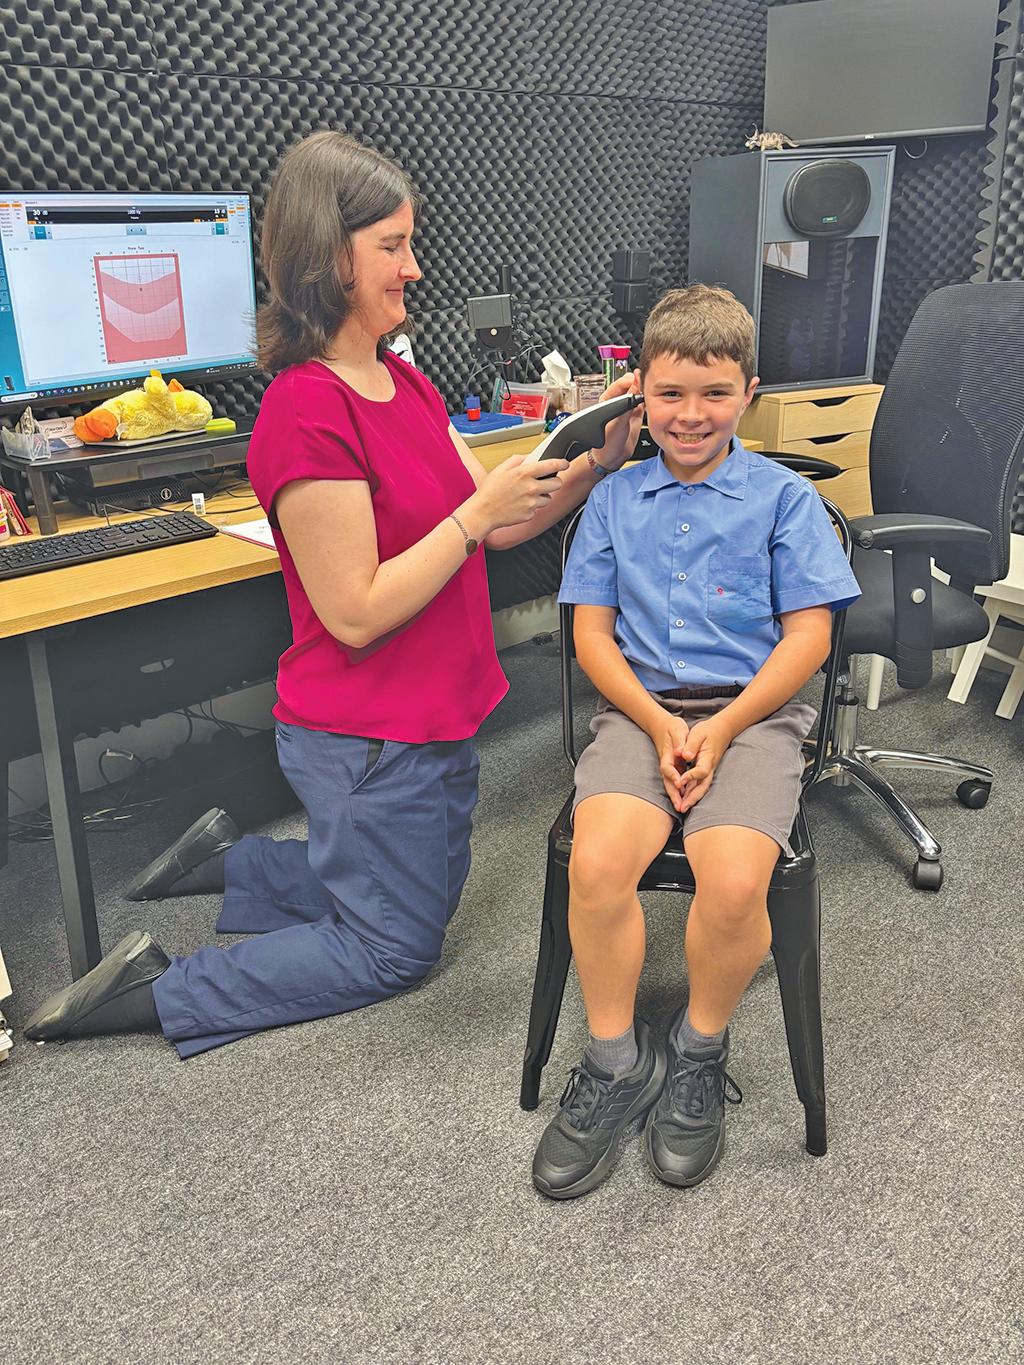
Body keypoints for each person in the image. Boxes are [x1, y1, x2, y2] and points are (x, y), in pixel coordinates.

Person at [24, 130, 644, 1058]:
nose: (414, 266)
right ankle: (158, 985)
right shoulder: (304, 409)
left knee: (414, 891)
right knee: (396, 947)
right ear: (330, 256)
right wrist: (474, 515)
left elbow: (495, 527)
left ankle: (232, 861)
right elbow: (355, 609)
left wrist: (593, 465)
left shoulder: (404, 381)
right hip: (368, 738)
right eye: (393, 246)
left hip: (435, 715)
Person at [531, 284, 860, 1199]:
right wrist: (659, 722)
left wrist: (719, 727)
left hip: (753, 715)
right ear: (639, 391)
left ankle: (699, 1047)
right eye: (670, 392)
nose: (690, 414)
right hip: (639, 708)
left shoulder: (785, 501)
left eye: (715, 393)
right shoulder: (612, 501)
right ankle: (614, 1059)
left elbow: (809, 637)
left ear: (748, 392)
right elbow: (593, 637)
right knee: (598, 866)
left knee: (735, 878)